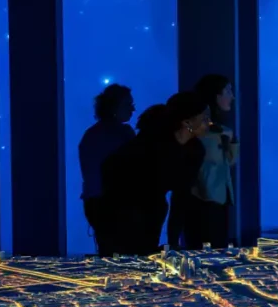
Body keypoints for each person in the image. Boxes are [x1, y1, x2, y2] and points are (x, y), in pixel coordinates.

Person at [101, 92, 210, 255]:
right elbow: (116, 171)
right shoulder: (153, 143)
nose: (209, 122)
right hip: (123, 203)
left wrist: (173, 242)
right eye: (204, 118)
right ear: (187, 122)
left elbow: (181, 195)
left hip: (152, 206)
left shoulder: (195, 150)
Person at [168, 74, 238, 249]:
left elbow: (226, 162)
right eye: (228, 91)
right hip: (201, 201)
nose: (232, 96)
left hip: (218, 200)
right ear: (216, 95)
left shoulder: (222, 132)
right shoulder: (198, 137)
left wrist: (232, 141)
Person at [77, 84, 135, 255]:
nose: (133, 109)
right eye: (128, 104)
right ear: (114, 107)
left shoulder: (92, 134)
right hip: (115, 204)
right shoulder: (122, 134)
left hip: (97, 202)